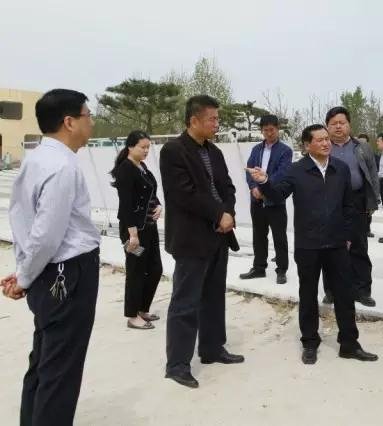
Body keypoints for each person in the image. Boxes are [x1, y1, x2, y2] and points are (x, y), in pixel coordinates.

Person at [1, 89, 101, 426]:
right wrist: (24, 277)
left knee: (45, 361)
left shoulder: (37, 159)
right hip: (68, 274)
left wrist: (24, 272)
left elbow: (23, 222)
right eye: (87, 115)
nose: (91, 122)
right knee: (61, 372)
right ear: (69, 122)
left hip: (48, 272)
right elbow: (46, 234)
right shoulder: (61, 167)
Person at [246, 124, 378, 365]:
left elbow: (348, 205)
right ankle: (309, 342)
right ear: (307, 145)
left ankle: (349, 343)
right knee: (307, 295)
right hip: (308, 244)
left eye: (327, 139)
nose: (326, 143)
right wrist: (264, 182)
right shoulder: (297, 170)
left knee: (344, 294)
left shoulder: (341, 168)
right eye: (320, 140)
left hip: (337, 243)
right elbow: (277, 195)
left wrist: (348, 235)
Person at [159, 95, 243, 389]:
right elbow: (184, 194)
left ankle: (212, 348)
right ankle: (177, 364)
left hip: (219, 235)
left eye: (218, 119)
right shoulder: (173, 151)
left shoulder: (214, 152)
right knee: (186, 301)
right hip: (191, 238)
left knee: (214, 296)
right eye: (212, 119)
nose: (217, 124)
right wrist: (219, 214)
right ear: (194, 120)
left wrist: (229, 213)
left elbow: (227, 187)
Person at [322, 107, 380, 307]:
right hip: (329, 202)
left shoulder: (362, 147)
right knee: (329, 248)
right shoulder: (322, 146)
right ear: (327, 127)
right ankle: (331, 290)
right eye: (333, 123)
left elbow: (373, 174)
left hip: (356, 201)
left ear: (349, 125)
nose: (338, 127)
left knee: (359, 247)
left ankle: (362, 290)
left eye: (342, 122)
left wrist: (373, 201)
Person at [110, 130, 163, 330]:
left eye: (148, 147)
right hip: (133, 231)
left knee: (155, 269)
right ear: (130, 147)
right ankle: (132, 316)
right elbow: (126, 205)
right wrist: (132, 235)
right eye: (142, 147)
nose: (146, 151)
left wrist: (159, 205)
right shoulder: (126, 169)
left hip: (149, 227)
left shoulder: (142, 167)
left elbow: (150, 192)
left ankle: (142, 308)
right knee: (136, 271)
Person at [240, 115, 292, 285]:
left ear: (278, 129)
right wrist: (253, 188)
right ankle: (259, 268)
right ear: (261, 131)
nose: (269, 133)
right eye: (266, 130)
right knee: (259, 236)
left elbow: (282, 174)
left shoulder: (285, 151)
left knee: (279, 237)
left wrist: (264, 188)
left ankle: (281, 270)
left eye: (272, 129)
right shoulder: (256, 149)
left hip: (275, 201)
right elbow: (249, 170)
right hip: (256, 200)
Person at [358, 133, 377, 238]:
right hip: (359, 186)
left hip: (368, 185)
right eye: (360, 141)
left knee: (369, 210)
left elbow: (374, 171)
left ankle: (367, 229)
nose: (362, 144)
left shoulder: (371, 155)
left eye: (364, 142)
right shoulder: (354, 153)